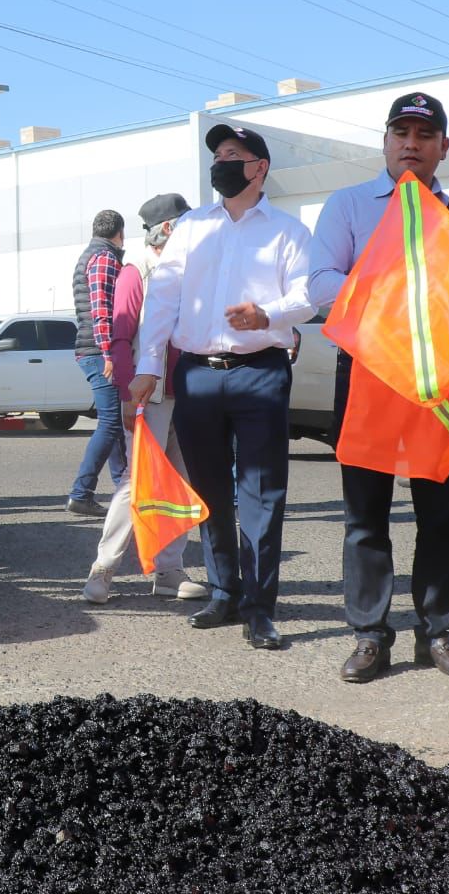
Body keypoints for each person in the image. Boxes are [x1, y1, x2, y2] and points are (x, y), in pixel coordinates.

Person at [307, 92, 449, 683]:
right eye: (400, 132)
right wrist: (389, 300)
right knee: (365, 517)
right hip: (370, 377)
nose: (411, 144)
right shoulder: (349, 205)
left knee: (440, 516)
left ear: (443, 148)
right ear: (384, 141)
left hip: (436, 382)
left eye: (424, 136)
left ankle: (437, 632)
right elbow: (321, 282)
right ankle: (370, 634)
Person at [134, 124, 314, 651]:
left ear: (259, 167)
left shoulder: (287, 231)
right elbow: (162, 297)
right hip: (197, 374)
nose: (222, 163)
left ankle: (260, 607)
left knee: (261, 493)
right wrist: (148, 365)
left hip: (260, 371)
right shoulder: (191, 227)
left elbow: (308, 295)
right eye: (217, 155)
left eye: (233, 155)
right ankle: (224, 592)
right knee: (210, 489)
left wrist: (269, 314)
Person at [83, 192, 208, 603]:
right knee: (138, 483)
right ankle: (103, 568)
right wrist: (129, 391)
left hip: (188, 394)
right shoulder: (136, 271)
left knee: (178, 483)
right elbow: (120, 337)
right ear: (170, 228)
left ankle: (168, 570)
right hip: (147, 397)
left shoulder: (192, 269)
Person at [66, 209, 128, 517]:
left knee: (113, 422)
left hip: (91, 348)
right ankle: (81, 492)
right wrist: (108, 353)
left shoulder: (89, 254)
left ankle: (123, 489)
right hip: (98, 351)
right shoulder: (104, 258)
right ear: (120, 233)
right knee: (111, 422)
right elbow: (102, 308)